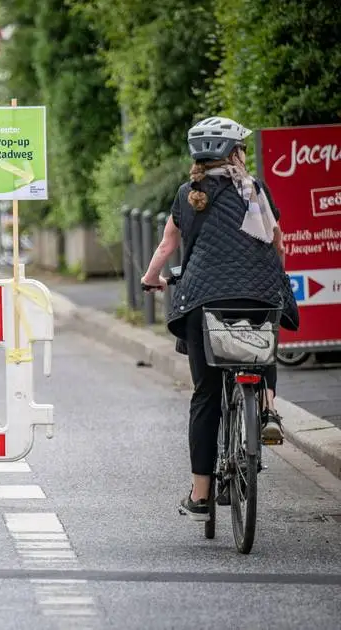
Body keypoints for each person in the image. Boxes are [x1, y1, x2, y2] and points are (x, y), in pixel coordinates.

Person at [140, 116, 299, 521]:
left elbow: (167, 244)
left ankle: (200, 494)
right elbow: (278, 241)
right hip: (259, 294)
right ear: (235, 153)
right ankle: (266, 406)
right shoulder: (255, 190)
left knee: (207, 395)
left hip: (204, 298)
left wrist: (150, 278)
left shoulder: (188, 194)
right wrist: (270, 271)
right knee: (261, 347)